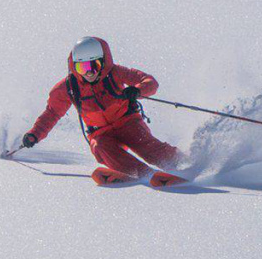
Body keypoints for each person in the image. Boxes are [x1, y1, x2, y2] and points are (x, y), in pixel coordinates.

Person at [22, 36, 182, 182]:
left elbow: (149, 82)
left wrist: (138, 90)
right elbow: (52, 113)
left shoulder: (115, 73)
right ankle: (143, 174)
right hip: (100, 133)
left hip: (128, 123)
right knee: (100, 147)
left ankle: (182, 161)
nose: (89, 72)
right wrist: (34, 134)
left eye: (95, 65)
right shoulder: (69, 87)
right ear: (74, 67)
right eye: (82, 68)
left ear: (103, 62)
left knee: (150, 149)